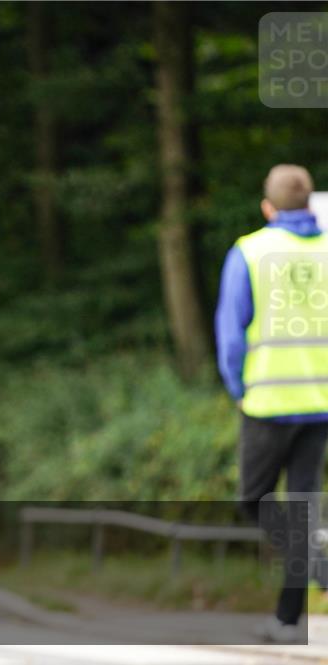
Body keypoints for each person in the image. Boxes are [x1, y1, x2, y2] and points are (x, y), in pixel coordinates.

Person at [216, 164, 328, 643]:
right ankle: (288, 619)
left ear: (268, 207)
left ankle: (318, 564)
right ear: (309, 204)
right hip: (321, 402)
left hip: (267, 402)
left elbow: (230, 336)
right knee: (304, 512)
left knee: (253, 501)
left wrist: (238, 389)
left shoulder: (250, 251)